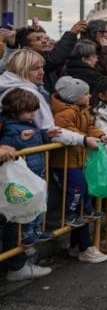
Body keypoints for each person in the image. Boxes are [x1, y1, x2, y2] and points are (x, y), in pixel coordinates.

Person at [51, 76, 107, 264]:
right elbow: (71, 133)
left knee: (83, 188)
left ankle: (78, 242)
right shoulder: (64, 115)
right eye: (85, 93)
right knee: (76, 189)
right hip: (66, 162)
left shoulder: (83, 110)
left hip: (79, 159)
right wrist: (88, 139)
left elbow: (90, 127)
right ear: (74, 97)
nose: (89, 95)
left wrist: (101, 135)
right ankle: (73, 217)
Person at [0, 89, 57, 246]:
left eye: (33, 111)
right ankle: (26, 232)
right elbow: (8, 146)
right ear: (15, 111)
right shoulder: (11, 127)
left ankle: (36, 229)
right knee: (28, 204)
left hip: (37, 169)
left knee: (39, 202)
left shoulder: (27, 123)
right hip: (27, 172)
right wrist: (20, 139)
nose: (32, 115)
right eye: (28, 112)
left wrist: (48, 136)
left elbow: (37, 138)